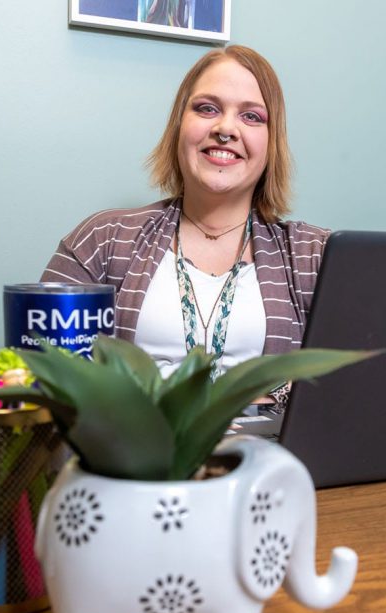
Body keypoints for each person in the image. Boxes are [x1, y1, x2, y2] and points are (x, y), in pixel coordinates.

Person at [41, 45, 329, 402]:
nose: (226, 129)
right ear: (180, 125)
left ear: (272, 143)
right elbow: (43, 377)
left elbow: (359, 393)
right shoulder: (101, 240)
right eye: (207, 108)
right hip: (130, 455)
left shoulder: (316, 258)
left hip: (268, 457)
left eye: (252, 117)